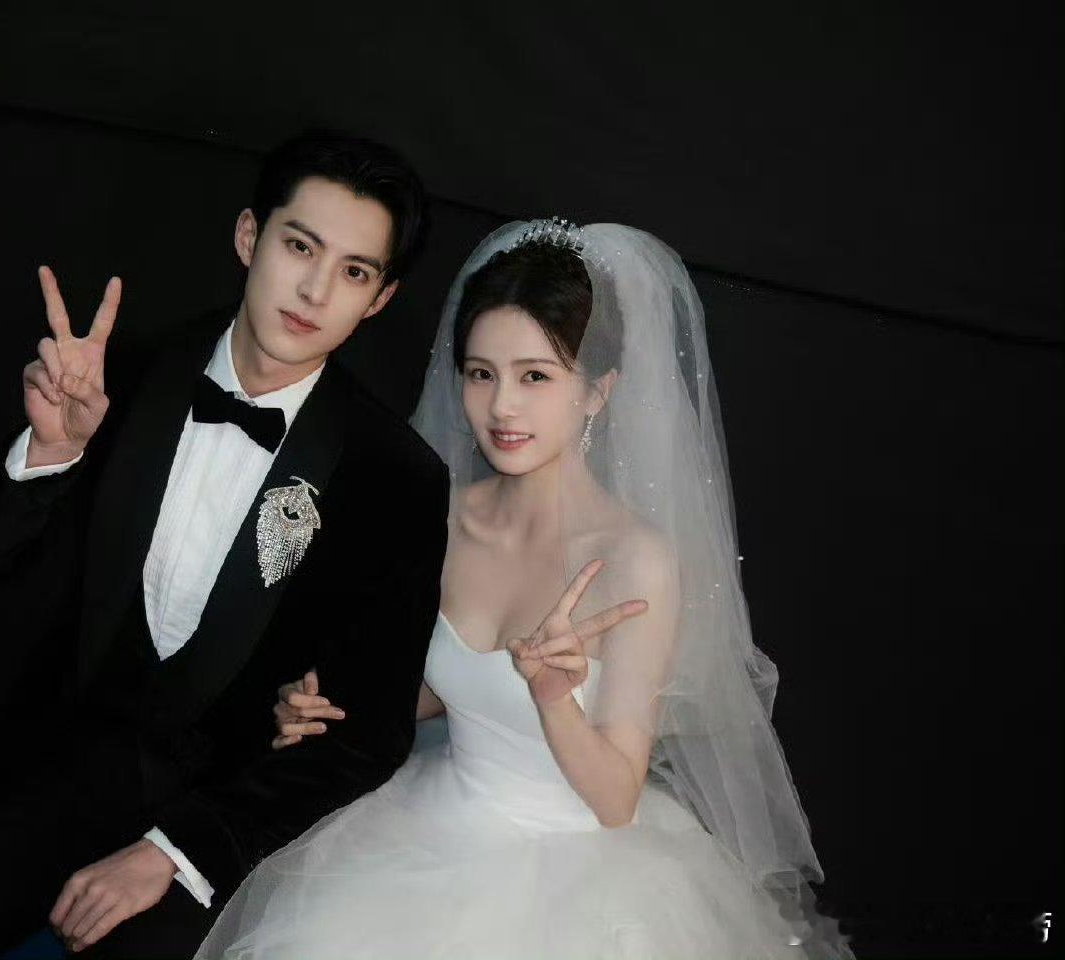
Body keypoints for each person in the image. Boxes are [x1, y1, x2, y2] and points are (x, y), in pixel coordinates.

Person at [0, 131, 451, 958]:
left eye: (354, 272)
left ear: (379, 299)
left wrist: (176, 852)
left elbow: (369, 736)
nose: (315, 290)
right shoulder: (114, 375)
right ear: (250, 236)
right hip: (44, 776)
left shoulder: (397, 477)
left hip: (212, 832)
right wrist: (50, 454)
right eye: (299, 246)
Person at [197, 219, 853, 959]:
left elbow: (616, 800)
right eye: (481, 374)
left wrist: (553, 698)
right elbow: (442, 688)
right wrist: (331, 706)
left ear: (597, 392)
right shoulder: (440, 517)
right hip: (421, 836)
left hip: (581, 881)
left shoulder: (634, 558)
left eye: (536, 376)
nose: (503, 407)